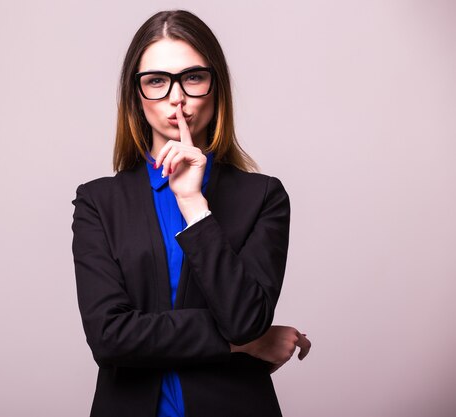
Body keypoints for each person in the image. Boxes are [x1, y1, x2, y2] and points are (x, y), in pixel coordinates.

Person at [71, 10, 311, 417]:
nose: (176, 97)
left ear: (216, 89)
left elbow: (244, 320)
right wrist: (244, 345)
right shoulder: (98, 202)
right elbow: (109, 338)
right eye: (156, 81)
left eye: (193, 77)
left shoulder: (263, 196)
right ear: (136, 96)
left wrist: (194, 204)